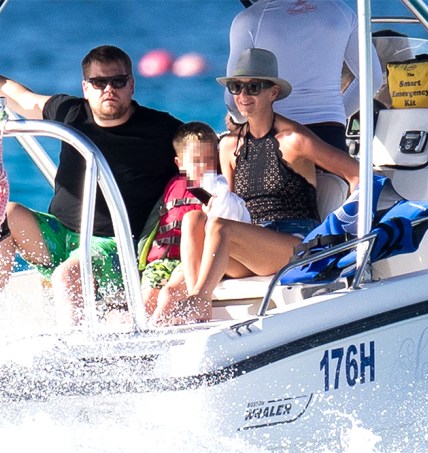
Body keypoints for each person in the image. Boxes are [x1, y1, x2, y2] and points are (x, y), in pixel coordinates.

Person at [0, 42, 182, 326]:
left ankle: (74, 359)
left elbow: (204, 152)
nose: (109, 89)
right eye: (99, 82)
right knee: (6, 215)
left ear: (131, 84)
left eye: (118, 81)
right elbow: (20, 97)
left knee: (66, 276)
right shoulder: (71, 113)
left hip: (114, 248)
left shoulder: (162, 129)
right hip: (62, 238)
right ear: (86, 87)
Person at [155, 48, 360, 325]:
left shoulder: (294, 139)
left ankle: (198, 302)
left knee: (218, 227)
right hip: (248, 244)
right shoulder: (229, 145)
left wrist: (347, 229)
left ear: (273, 92)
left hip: (294, 245)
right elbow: (228, 207)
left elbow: (357, 174)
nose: (243, 96)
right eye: (236, 87)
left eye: (253, 87)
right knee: (194, 218)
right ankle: (199, 304)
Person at [224, 0, 383, 151]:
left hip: (275, 139)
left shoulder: (249, 19)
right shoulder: (342, 12)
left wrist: (238, 119)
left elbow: (233, 100)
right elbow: (372, 79)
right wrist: (335, 115)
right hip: (330, 140)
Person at [137, 122, 250, 319]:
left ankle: (166, 333)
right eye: (195, 161)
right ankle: (144, 343)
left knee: (168, 295)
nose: (202, 167)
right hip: (162, 260)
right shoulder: (172, 185)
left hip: (190, 259)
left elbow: (227, 220)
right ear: (179, 163)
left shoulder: (215, 188)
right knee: (145, 301)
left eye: (208, 160)